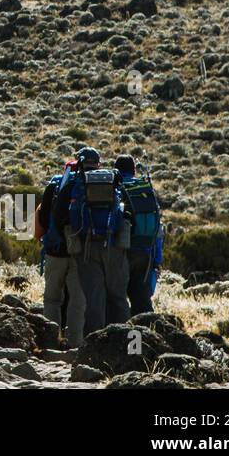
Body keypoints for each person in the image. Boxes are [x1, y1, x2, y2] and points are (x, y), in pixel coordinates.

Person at [51, 146, 133, 337]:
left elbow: (58, 216)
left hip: (86, 249)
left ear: (79, 162)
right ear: (98, 164)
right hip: (114, 246)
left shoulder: (74, 184)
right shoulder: (113, 180)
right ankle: (129, 347)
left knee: (94, 300)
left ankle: (95, 347)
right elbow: (128, 213)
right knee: (119, 298)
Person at [37, 165, 85, 347]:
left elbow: (42, 220)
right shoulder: (92, 185)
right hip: (79, 253)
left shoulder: (56, 185)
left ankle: (51, 342)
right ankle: (74, 345)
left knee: (52, 299)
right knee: (77, 301)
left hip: (55, 250)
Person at [116, 155, 162, 316]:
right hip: (146, 251)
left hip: (123, 249)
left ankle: (121, 333)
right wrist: (157, 259)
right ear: (134, 170)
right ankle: (145, 331)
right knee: (141, 298)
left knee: (117, 297)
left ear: (116, 170)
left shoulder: (117, 188)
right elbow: (158, 228)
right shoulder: (145, 190)